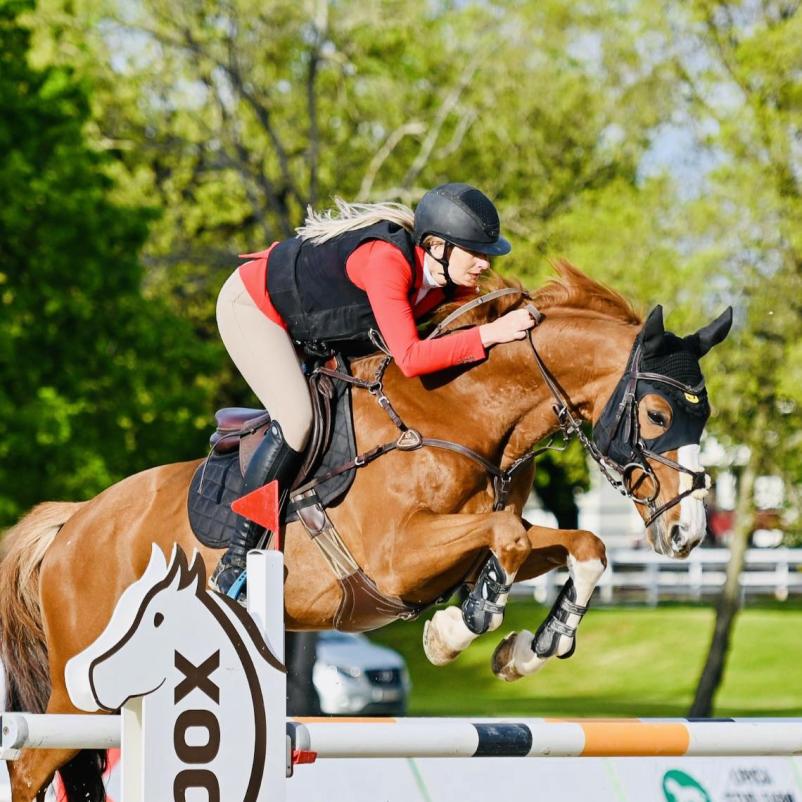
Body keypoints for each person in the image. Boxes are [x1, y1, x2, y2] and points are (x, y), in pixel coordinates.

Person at [211, 182, 535, 598]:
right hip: (255, 308)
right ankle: (238, 556)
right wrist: (491, 333)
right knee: (297, 418)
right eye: (475, 253)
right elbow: (413, 358)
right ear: (437, 246)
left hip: (315, 326)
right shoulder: (387, 262)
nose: (484, 264)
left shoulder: (452, 280)